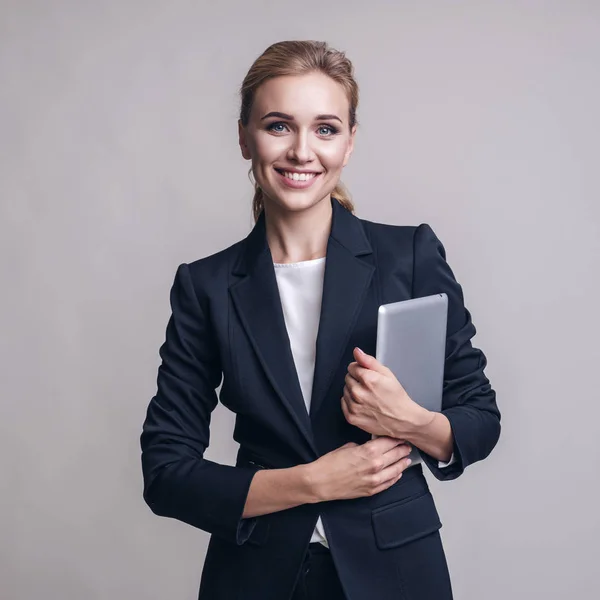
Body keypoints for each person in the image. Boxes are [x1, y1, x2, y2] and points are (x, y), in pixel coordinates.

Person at [140, 40, 501, 600]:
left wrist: (409, 420)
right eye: (279, 126)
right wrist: (311, 483)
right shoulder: (206, 286)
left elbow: (480, 417)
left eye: (325, 129)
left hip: (397, 572)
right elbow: (165, 473)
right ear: (244, 137)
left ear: (350, 142)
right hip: (255, 576)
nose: (302, 151)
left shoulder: (409, 257)